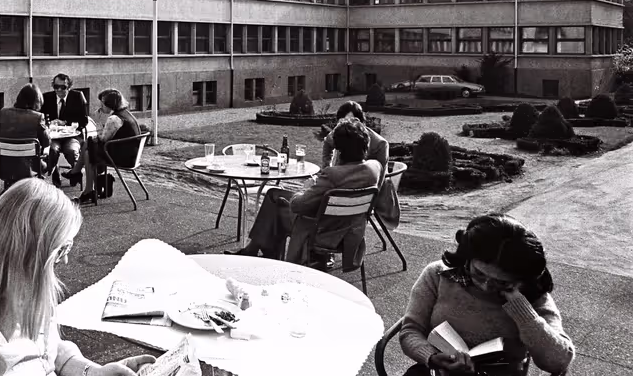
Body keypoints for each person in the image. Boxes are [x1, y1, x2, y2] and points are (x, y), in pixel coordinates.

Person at [0, 178, 156, 376]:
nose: (65, 261)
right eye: (62, 250)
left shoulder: (29, 290)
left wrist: (91, 371)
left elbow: (50, 350)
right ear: (30, 256)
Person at [399, 214, 574, 376]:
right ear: (467, 257)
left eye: (502, 282)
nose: (485, 286)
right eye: (479, 274)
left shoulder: (531, 295)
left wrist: (523, 310)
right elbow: (411, 329)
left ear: (522, 278)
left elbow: (558, 362)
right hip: (439, 369)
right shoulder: (438, 275)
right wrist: (430, 357)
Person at [226, 119, 382, 263]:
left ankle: (260, 254)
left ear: (339, 151)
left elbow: (297, 206)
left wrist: (307, 185)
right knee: (274, 195)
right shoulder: (375, 168)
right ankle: (257, 252)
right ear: (365, 146)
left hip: (321, 230)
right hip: (349, 230)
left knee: (274, 201)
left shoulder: (332, 175)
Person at [67, 89, 141, 205]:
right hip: (131, 154)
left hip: (122, 157)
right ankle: (84, 185)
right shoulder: (126, 113)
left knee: (88, 149)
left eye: (102, 103)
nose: (101, 106)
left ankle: (79, 178)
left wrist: (99, 123)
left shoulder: (114, 119)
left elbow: (103, 139)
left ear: (109, 104)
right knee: (88, 148)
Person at [0, 84, 52, 188]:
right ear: (37, 101)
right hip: (29, 167)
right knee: (48, 160)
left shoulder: (3, 112)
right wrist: (46, 128)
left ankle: (11, 184)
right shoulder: (37, 117)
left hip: (5, 164)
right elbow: (46, 142)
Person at [41, 74, 90, 187]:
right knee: (52, 150)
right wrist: (51, 123)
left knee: (72, 151)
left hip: (72, 136)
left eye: (62, 87)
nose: (59, 90)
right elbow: (42, 119)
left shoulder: (77, 97)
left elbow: (83, 121)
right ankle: (53, 173)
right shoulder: (47, 97)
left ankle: (75, 173)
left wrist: (65, 123)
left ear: (69, 87)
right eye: (56, 86)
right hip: (54, 136)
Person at [322, 101, 389, 180]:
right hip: (342, 181)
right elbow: (327, 142)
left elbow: (382, 177)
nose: (345, 126)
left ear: (361, 123)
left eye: (349, 121)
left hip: (367, 184)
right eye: (341, 122)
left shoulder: (380, 144)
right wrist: (326, 170)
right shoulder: (340, 134)